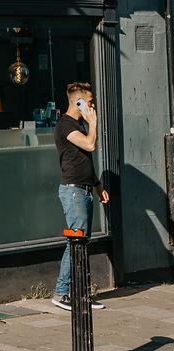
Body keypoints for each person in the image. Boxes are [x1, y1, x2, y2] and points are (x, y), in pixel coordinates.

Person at [51, 81, 109, 311]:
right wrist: (93, 123)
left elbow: (85, 159)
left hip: (83, 189)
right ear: (79, 102)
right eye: (90, 102)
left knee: (81, 242)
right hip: (73, 191)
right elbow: (90, 145)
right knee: (76, 243)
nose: (93, 106)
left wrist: (97, 185)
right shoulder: (66, 125)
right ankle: (62, 292)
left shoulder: (76, 124)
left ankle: (81, 294)